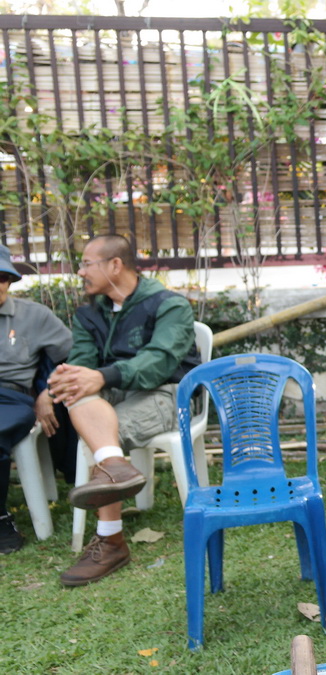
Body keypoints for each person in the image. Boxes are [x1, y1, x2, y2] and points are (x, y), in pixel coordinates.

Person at [48, 234, 200, 586]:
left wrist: (101, 376)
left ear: (115, 265)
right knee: (79, 400)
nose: (81, 272)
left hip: (167, 393)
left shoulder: (169, 305)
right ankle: (115, 467)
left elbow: (159, 362)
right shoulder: (89, 314)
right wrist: (67, 379)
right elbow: (82, 364)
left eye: (87, 264)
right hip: (114, 394)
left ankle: (111, 539)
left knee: (101, 437)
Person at [0, 244, 76, 554]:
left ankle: (1, 519)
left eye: (3, 277)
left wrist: (48, 390)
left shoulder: (33, 315)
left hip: (11, 397)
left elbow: (75, 356)